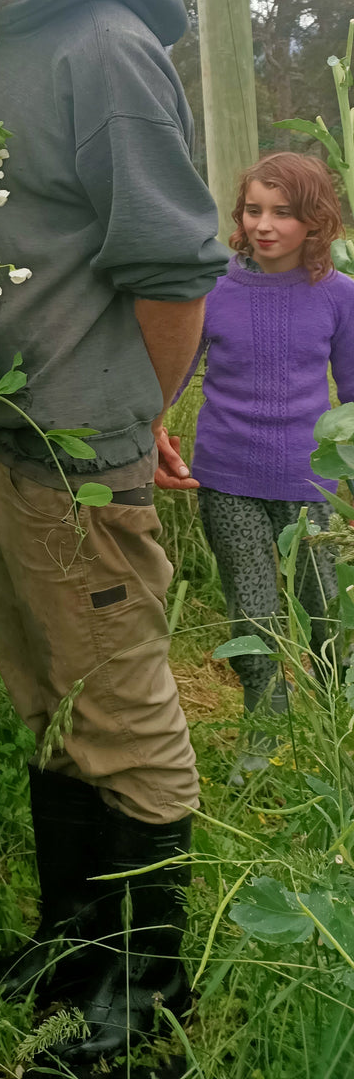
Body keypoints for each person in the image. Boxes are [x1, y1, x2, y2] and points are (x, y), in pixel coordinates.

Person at [0, 0, 229, 1065]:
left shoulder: (102, 46)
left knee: (126, 713)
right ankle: (72, 943)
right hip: (14, 438)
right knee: (54, 698)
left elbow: (172, 269)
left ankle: (146, 998)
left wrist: (133, 420)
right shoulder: (11, 37)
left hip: (74, 444)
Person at [175, 153, 353, 767]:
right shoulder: (213, 286)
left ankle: (336, 725)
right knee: (252, 609)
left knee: (326, 610)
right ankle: (265, 721)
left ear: (316, 220)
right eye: (254, 210)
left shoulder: (338, 295)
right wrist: (150, 433)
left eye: (283, 212)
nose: (264, 225)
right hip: (226, 477)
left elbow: (353, 393)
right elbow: (175, 374)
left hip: (310, 483)